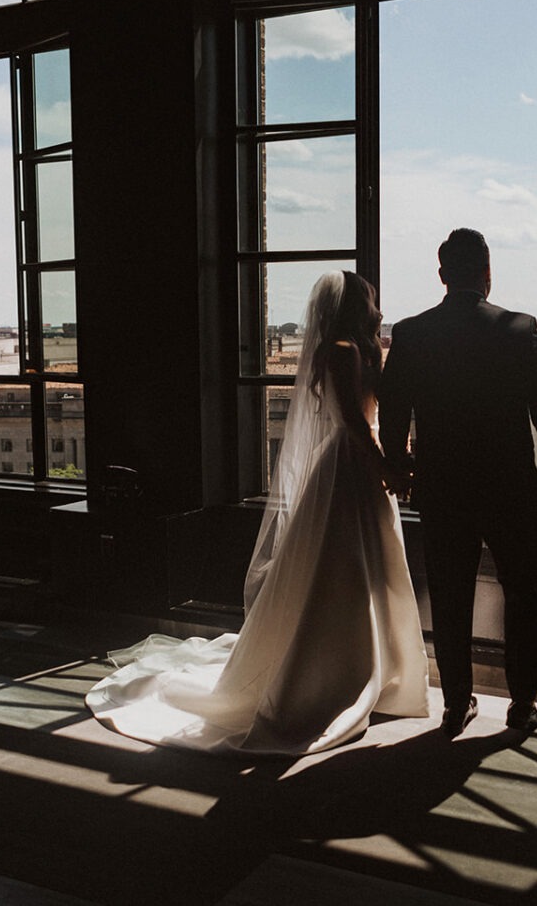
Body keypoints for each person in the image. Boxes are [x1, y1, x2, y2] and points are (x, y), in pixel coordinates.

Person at [86, 271, 431, 755]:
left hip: (356, 464)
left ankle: (365, 667)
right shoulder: (342, 350)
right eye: (371, 298)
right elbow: (354, 422)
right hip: (351, 464)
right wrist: (385, 467)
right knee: (346, 571)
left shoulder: (357, 348)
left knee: (360, 568)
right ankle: (337, 672)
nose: (378, 305)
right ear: (357, 304)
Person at [379, 228, 537, 738]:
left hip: (442, 487)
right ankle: (522, 703)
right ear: (488, 272)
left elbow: (394, 412)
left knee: (450, 596)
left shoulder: (413, 333)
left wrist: (398, 465)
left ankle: (456, 704)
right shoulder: (518, 328)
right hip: (509, 486)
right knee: (524, 594)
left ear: (442, 275)